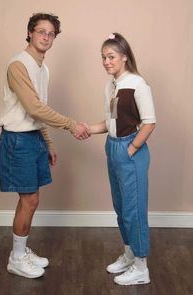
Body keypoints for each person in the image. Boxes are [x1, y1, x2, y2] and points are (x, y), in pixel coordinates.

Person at [0, 13, 90, 279]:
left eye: (51, 34)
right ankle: (16, 258)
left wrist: (47, 141)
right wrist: (72, 125)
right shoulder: (18, 64)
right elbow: (33, 107)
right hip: (18, 140)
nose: (46, 37)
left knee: (32, 200)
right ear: (29, 32)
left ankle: (21, 251)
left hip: (34, 139)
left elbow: (40, 111)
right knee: (29, 199)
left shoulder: (43, 68)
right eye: (41, 31)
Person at [88, 33, 156, 285]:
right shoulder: (111, 86)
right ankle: (129, 254)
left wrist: (131, 149)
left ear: (124, 57)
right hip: (113, 147)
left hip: (131, 150)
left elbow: (149, 122)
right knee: (120, 208)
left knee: (133, 210)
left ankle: (141, 267)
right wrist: (87, 129)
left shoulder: (138, 84)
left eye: (111, 57)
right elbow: (111, 123)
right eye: (103, 57)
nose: (106, 62)